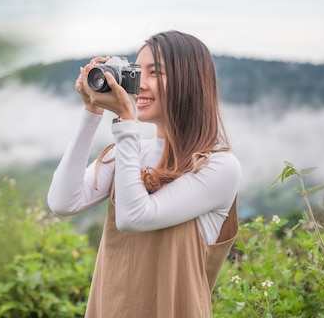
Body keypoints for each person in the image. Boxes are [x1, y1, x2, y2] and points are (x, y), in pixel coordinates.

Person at [47, 30, 241, 317]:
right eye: (137, 72)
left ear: (189, 82)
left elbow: (134, 216)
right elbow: (63, 202)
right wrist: (92, 112)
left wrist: (126, 121)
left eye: (156, 72)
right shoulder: (129, 151)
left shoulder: (217, 167)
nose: (141, 84)